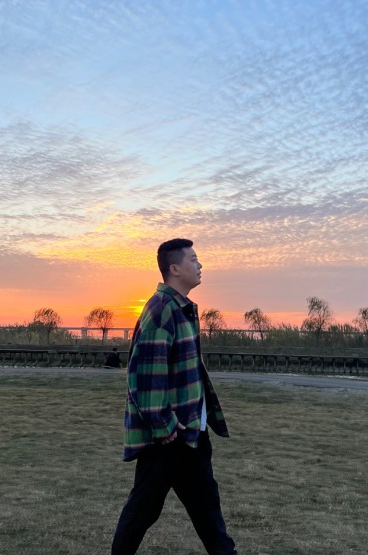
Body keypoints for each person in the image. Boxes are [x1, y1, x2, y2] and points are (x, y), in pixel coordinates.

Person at [111, 238, 238, 555]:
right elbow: (144, 378)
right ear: (175, 268)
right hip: (169, 438)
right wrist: (165, 426)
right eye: (193, 259)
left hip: (191, 432)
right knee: (143, 510)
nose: (200, 265)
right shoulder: (161, 311)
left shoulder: (181, 310)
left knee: (208, 511)